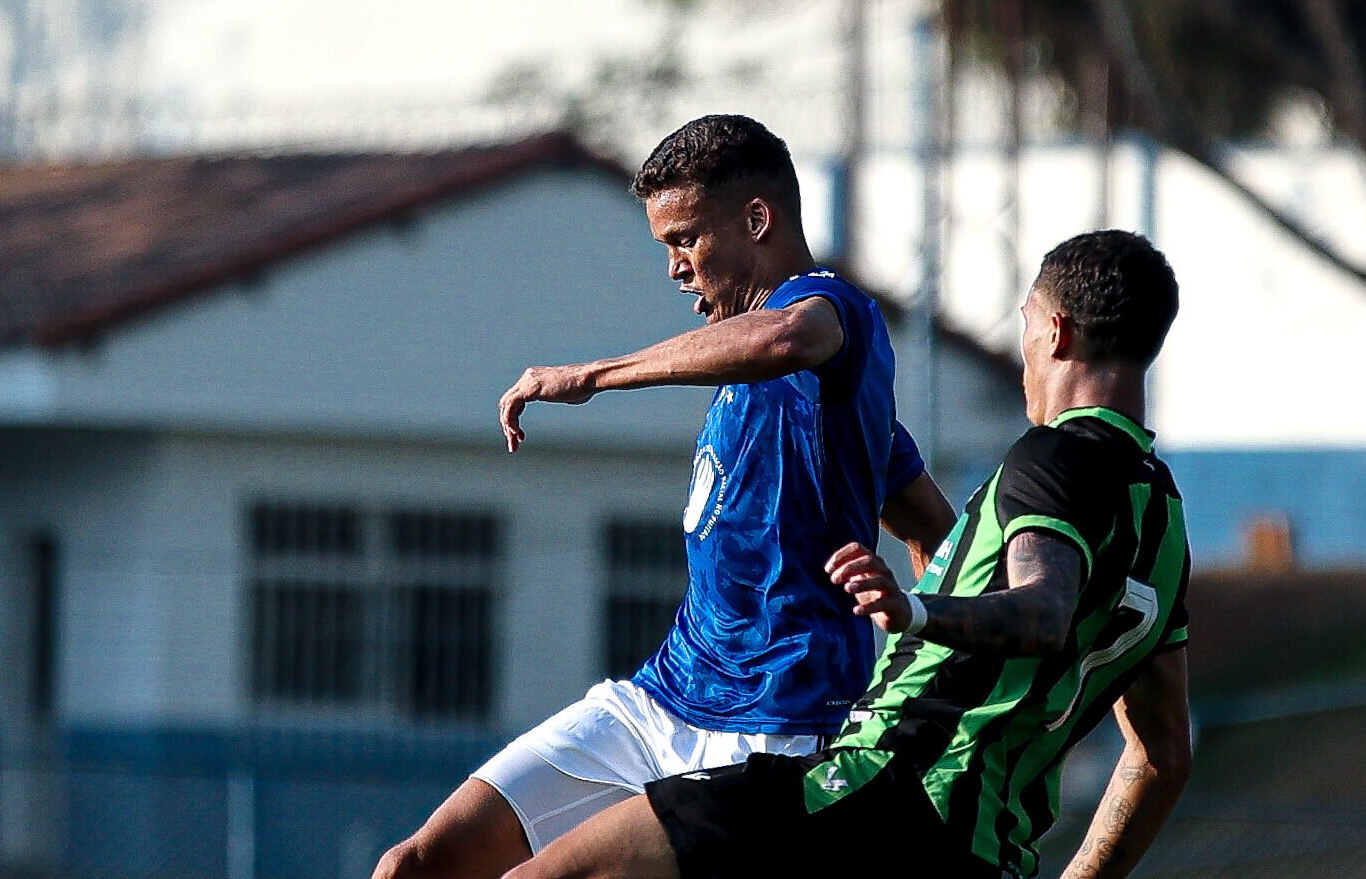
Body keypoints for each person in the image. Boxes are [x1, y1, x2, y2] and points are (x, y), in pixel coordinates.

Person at [503, 229, 1193, 879]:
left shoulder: (1053, 456)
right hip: (983, 849)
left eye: (1023, 324)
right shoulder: (1163, 520)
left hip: (889, 790)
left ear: (1054, 331)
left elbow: (1041, 614)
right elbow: (1160, 754)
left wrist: (913, 609)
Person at [371, 115, 955, 879]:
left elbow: (787, 338)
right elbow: (937, 536)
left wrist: (591, 374)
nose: (676, 268)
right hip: (663, 695)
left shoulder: (830, 313)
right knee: (415, 864)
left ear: (755, 219)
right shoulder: (825, 401)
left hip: (775, 724)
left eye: (685, 239)